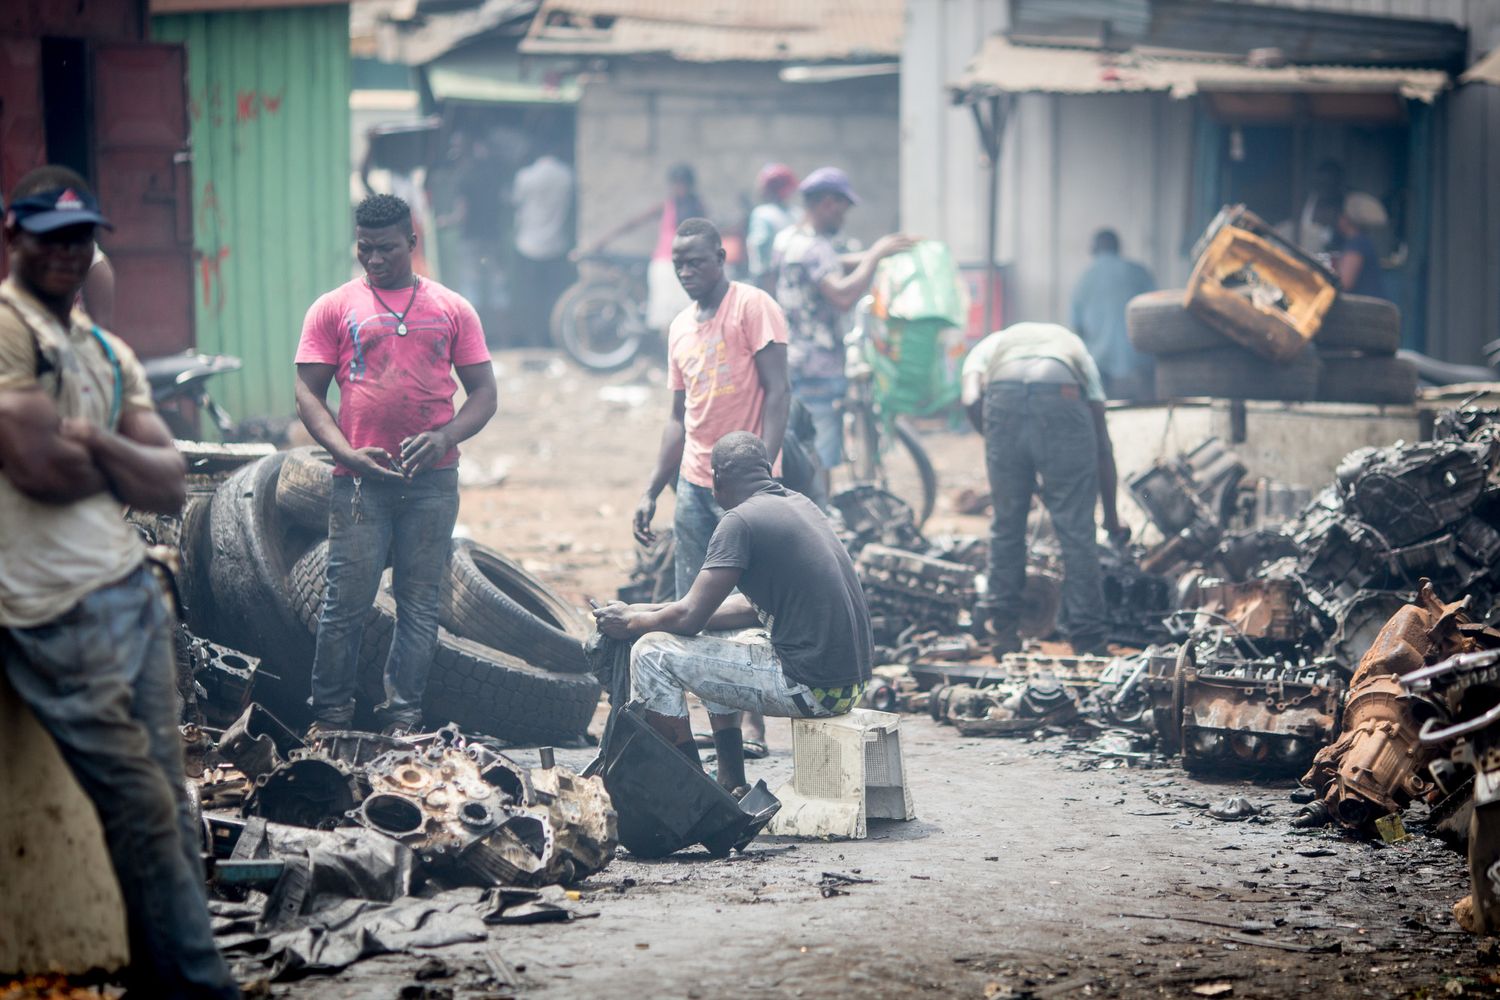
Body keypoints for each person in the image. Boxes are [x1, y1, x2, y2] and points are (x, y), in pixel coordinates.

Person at [0, 165, 240, 998]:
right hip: (50, 606)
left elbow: (168, 483)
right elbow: (37, 468)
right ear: (14, 237)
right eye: (50, 237)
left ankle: (159, 979)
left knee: (166, 801)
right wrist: (118, 458)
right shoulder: (7, 329)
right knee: (140, 801)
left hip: (128, 589)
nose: (67, 254)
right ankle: (200, 986)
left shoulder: (105, 350)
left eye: (80, 239)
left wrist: (95, 444)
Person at [295, 193, 497, 735]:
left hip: (433, 483)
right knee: (345, 604)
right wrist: (345, 453)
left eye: (386, 248)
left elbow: (484, 393)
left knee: (419, 603)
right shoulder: (334, 307)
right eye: (365, 248)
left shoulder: (452, 308)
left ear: (412, 241)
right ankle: (331, 719)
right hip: (359, 484)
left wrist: (446, 436)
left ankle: (403, 717)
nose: (374, 258)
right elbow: (308, 393)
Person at [595, 432, 872, 795]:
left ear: (717, 478)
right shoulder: (799, 504)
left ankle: (694, 795)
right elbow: (734, 609)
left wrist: (632, 624)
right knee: (713, 634)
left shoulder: (739, 522)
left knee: (650, 653)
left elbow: (690, 618)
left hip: (814, 687)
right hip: (850, 683)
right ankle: (730, 781)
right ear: (766, 469)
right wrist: (640, 610)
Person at [633, 217, 790, 758]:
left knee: (753, 603)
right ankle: (722, 733)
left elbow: (778, 391)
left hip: (748, 489)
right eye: (678, 263)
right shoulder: (679, 327)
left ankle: (755, 726)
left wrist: (765, 472)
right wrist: (653, 489)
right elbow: (677, 418)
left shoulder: (752, 307)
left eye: (697, 261)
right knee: (696, 609)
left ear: (721, 258)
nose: (686, 271)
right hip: (696, 486)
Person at [961, 321, 1127, 656]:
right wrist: (1111, 518)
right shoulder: (1074, 348)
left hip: (1002, 399)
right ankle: (1089, 640)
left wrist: (998, 441)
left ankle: (1003, 634)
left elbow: (970, 398)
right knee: (1076, 529)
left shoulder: (990, 346)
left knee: (1007, 524)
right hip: (1062, 394)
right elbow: (1101, 443)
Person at [772, 166, 914, 480]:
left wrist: (876, 254)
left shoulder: (787, 240)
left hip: (791, 359)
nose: (843, 218)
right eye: (842, 209)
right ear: (828, 203)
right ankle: (819, 509)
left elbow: (827, 265)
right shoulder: (816, 247)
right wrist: (875, 256)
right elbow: (842, 296)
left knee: (798, 447)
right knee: (820, 458)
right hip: (820, 368)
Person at [577, 163, 705, 332]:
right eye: (676, 184)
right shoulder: (668, 206)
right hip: (665, 264)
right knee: (667, 318)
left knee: (691, 316)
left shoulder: (698, 207)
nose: (679, 188)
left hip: (688, 266)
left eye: (683, 184)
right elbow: (634, 223)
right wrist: (605, 240)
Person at [1069, 228, 1156, 401]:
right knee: (1147, 402)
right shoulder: (1138, 271)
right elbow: (1154, 309)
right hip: (1138, 354)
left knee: (1101, 398)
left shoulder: (1085, 278)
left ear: (1094, 249)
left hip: (1100, 358)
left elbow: (1076, 323)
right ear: (1118, 247)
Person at [511, 139, 576, 346]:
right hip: (557, 244)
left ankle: (533, 337)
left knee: (531, 295)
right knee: (555, 295)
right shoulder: (567, 175)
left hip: (528, 244)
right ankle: (553, 337)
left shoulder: (525, 177)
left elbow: (515, 203)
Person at [745, 163, 797, 291]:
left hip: (767, 279)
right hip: (793, 278)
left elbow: (760, 244)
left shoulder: (762, 213)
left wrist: (766, 279)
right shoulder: (797, 214)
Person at [1329, 192, 1388, 299]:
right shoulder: (1361, 242)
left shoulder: (1357, 244)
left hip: (1366, 306)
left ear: (1346, 219)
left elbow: (1345, 283)